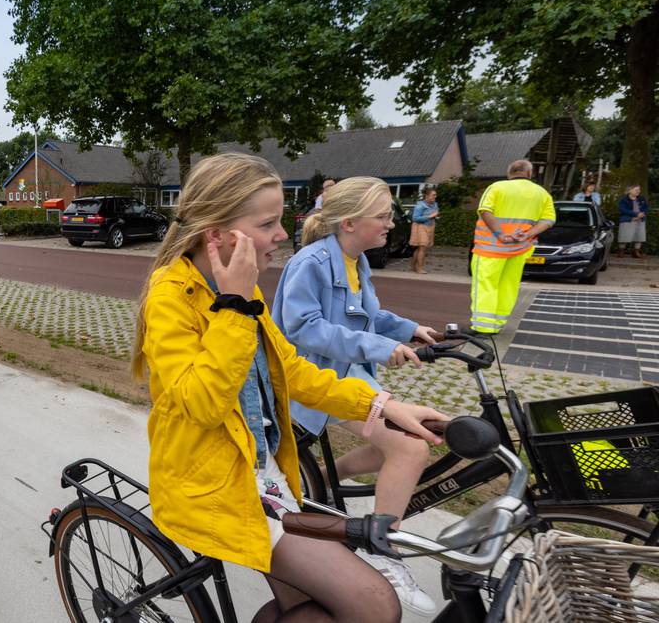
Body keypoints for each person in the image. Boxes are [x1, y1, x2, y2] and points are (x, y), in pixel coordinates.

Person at [131, 153, 448, 622]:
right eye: (268, 223)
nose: (282, 235)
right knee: (374, 604)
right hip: (210, 486)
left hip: (258, 477)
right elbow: (200, 404)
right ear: (217, 235)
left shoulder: (243, 289)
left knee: (314, 609)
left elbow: (293, 372)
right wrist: (235, 305)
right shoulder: (173, 295)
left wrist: (382, 406)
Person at [272, 176, 442, 615]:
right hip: (312, 382)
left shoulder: (356, 261)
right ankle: (382, 555)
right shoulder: (310, 263)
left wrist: (408, 329)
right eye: (383, 215)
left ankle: (328, 480)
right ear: (349, 222)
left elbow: (368, 313)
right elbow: (302, 327)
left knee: (413, 436)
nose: (392, 223)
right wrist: (380, 348)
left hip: (349, 376)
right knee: (409, 447)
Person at [469, 160, 555, 335]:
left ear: (509, 173)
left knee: (486, 286)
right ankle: (498, 323)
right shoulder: (542, 193)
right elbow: (548, 220)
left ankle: (483, 326)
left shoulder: (497, 188)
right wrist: (529, 234)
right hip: (519, 249)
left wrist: (501, 235)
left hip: (490, 249)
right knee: (508, 286)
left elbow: (485, 210)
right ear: (529, 174)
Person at [409, 186, 440, 274]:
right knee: (422, 247)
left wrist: (436, 216)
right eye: (433, 195)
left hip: (430, 226)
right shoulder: (420, 206)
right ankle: (420, 268)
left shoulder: (435, 204)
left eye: (435, 195)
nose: (435, 197)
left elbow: (436, 213)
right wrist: (430, 216)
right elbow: (415, 218)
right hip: (420, 227)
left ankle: (412, 266)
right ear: (427, 196)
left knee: (421, 248)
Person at [617, 185, 648, 258]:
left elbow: (646, 207)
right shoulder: (624, 200)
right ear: (630, 190)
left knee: (639, 236)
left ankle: (636, 251)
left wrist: (642, 213)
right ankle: (621, 251)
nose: (638, 191)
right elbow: (623, 210)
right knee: (624, 235)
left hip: (640, 219)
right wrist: (636, 214)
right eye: (636, 190)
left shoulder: (641, 199)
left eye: (639, 190)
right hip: (627, 219)